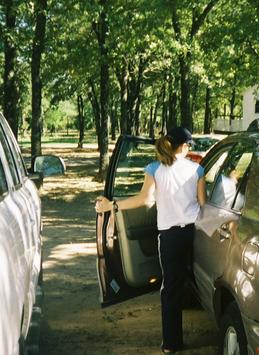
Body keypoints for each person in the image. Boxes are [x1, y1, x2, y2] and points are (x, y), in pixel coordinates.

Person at [95, 127, 205, 353]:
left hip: (170, 236)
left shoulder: (154, 169)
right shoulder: (198, 170)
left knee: (171, 287)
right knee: (196, 275)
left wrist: (112, 206)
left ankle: (172, 344)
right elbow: (203, 203)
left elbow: (145, 200)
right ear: (184, 146)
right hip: (196, 233)